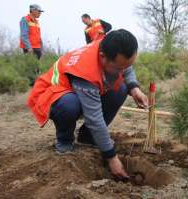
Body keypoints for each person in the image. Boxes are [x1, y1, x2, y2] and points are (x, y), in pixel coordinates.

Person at [27, 29, 148, 179]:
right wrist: (111, 157)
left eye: (126, 66)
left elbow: (126, 67)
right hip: (52, 95)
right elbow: (94, 118)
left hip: (76, 92)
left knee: (122, 88)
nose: (122, 71)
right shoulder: (86, 71)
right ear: (103, 57)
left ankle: (88, 137)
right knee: (70, 105)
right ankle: (65, 140)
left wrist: (134, 88)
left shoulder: (111, 47)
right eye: (119, 68)